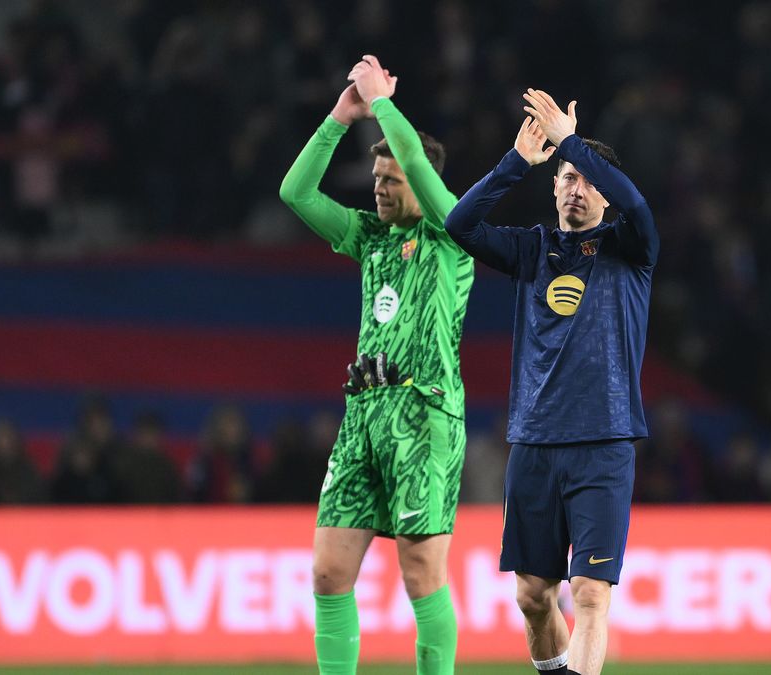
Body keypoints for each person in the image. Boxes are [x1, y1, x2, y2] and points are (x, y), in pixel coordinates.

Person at [445, 89, 658, 675]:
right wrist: (516, 161)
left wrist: (570, 140)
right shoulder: (532, 250)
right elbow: (459, 223)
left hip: (603, 443)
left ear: (603, 190)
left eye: (585, 178)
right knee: (533, 599)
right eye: (564, 176)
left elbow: (637, 205)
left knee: (590, 594)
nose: (573, 185)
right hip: (535, 443)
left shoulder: (629, 247)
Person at [279, 54, 473, 675]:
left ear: (422, 183)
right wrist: (342, 115)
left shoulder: (452, 233)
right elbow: (295, 191)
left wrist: (383, 102)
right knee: (328, 571)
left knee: (421, 575)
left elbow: (416, 158)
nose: (380, 188)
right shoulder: (367, 237)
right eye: (377, 178)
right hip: (363, 412)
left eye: (391, 179)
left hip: (424, 417)